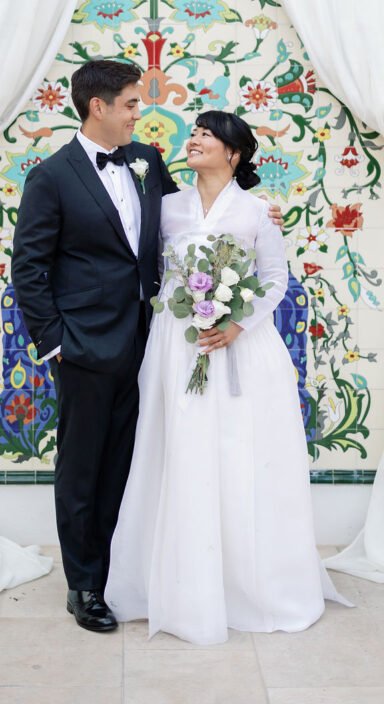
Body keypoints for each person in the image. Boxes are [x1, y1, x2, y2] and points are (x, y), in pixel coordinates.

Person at [12, 64, 283, 633]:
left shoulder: (147, 163)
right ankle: (84, 586)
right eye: (132, 104)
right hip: (83, 347)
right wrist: (54, 344)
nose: (141, 113)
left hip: (152, 343)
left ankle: (124, 576)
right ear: (99, 109)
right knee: (82, 469)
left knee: (131, 466)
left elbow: (192, 223)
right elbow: (30, 268)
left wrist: (258, 214)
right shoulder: (51, 177)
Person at [105, 110, 350, 644]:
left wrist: (239, 322)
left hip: (242, 349)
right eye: (192, 133)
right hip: (176, 344)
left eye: (205, 135)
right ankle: (180, 585)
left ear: (233, 154)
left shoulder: (259, 210)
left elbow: (275, 278)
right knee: (180, 452)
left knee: (241, 455)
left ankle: (250, 586)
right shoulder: (166, 206)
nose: (192, 140)